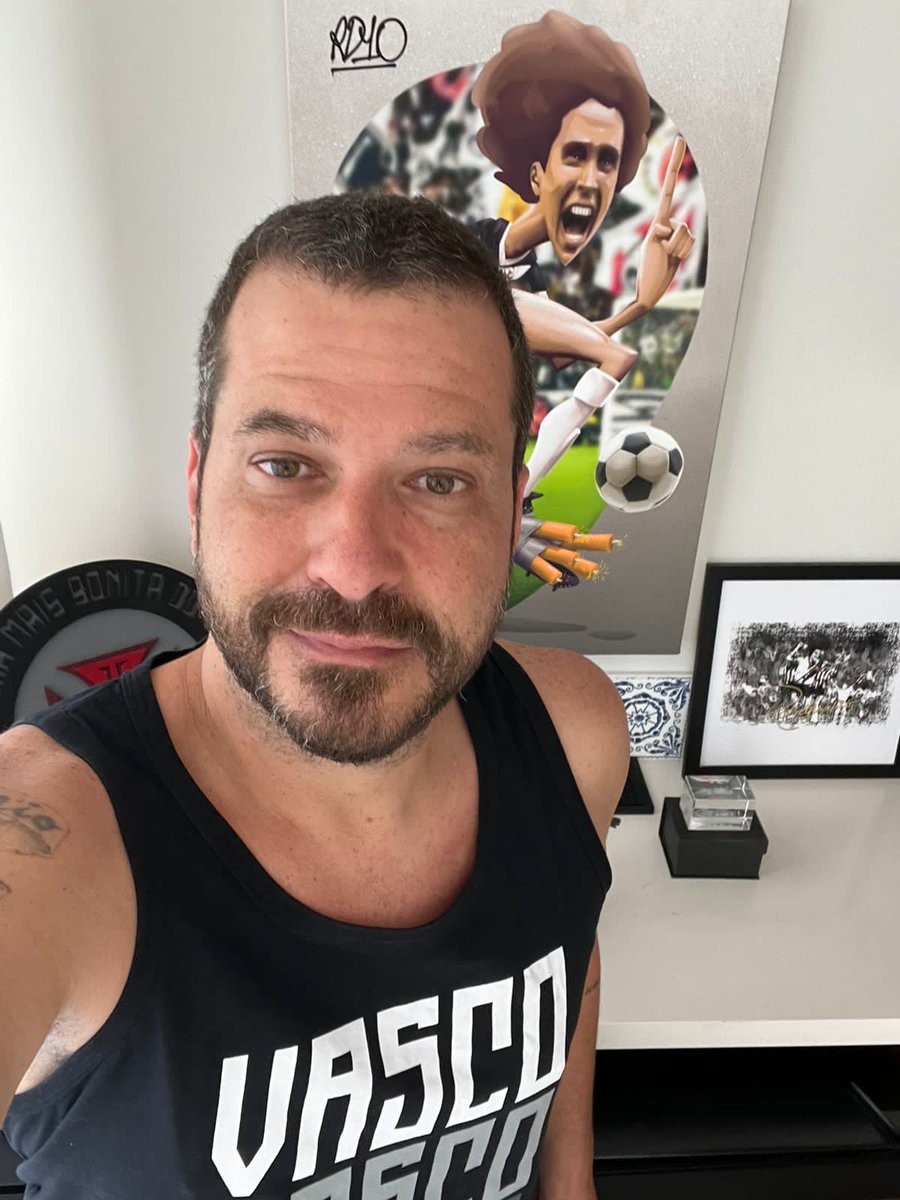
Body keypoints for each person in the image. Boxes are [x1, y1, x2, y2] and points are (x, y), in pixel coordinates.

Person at [0, 193, 629, 1199]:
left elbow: (568, 963)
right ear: (198, 486)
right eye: (285, 465)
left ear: (512, 507)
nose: (354, 567)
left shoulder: (574, 731)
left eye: (439, 480)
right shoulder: (51, 848)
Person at [472, 11, 695, 586]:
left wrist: (641, 305)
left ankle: (508, 507)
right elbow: (562, 336)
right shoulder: (465, 254)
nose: (593, 180)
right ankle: (511, 505)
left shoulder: (524, 277)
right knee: (612, 357)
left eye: (607, 161)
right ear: (537, 173)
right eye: (575, 154)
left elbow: (561, 345)